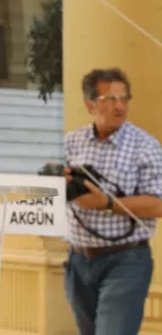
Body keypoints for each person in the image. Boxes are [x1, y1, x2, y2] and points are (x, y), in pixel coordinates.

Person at [63, 68, 162, 335]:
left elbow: (158, 204)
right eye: (111, 99)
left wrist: (107, 203)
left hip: (126, 260)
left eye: (124, 98)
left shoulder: (146, 146)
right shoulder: (69, 143)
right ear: (90, 105)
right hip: (78, 260)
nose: (120, 106)